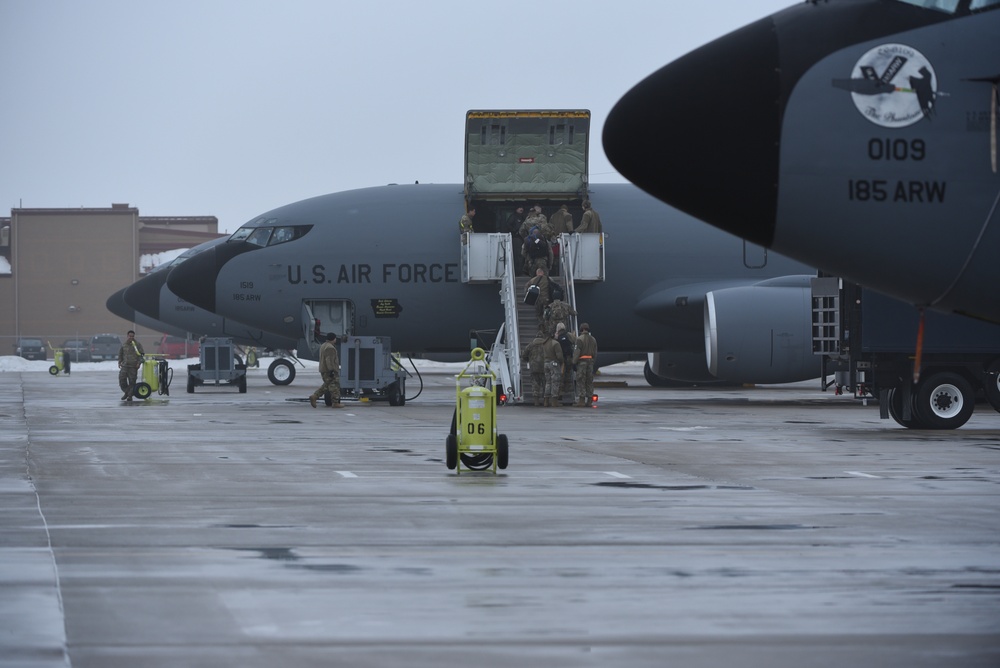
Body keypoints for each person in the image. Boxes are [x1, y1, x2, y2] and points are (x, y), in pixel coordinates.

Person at [309, 332, 342, 408]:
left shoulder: (323, 345)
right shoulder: (330, 347)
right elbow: (329, 360)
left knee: (328, 385)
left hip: (323, 369)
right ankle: (335, 402)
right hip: (329, 370)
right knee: (334, 385)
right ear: (333, 339)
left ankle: (315, 397)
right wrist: (331, 370)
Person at [573, 323, 599, 407]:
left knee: (581, 380)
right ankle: (589, 400)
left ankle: (581, 400)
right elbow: (595, 353)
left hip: (582, 363)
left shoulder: (579, 339)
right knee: (589, 381)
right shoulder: (593, 339)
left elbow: (577, 352)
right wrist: (592, 362)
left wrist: (574, 362)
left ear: (581, 329)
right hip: (590, 362)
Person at [117, 330, 145, 402]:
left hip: (133, 366)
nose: (131, 338)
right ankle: (126, 392)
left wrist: (139, 363)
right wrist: (119, 362)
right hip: (125, 366)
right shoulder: (124, 345)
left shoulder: (137, 345)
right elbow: (120, 354)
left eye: (132, 336)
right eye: (130, 336)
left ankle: (130, 396)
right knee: (122, 380)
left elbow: (141, 355)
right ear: (127, 336)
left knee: (132, 382)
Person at [541, 328, 564, 407]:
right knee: (555, 382)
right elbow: (559, 356)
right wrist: (562, 361)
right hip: (553, 363)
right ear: (553, 334)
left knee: (548, 382)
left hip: (546, 363)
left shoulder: (544, 343)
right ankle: (554, 401)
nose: (557, 335)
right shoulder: (555, 343)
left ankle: (546, 400)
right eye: (556, 333)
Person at [523, 333, 547, 406]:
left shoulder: (530, 345)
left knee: (535, 384)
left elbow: (524, 355)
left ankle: (536, 401)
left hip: (534, 367)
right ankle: (546, 401)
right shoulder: (546, 345)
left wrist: (528, 360)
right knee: (545, 384)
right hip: (544, 367)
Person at [555, 322, 576, 404]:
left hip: (561, 359)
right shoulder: (569, 335)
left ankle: (560, 393)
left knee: (560, 376)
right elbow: (575, 341)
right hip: (569, 358)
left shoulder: (557, 336)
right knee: (568, 373)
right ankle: (568, 390)